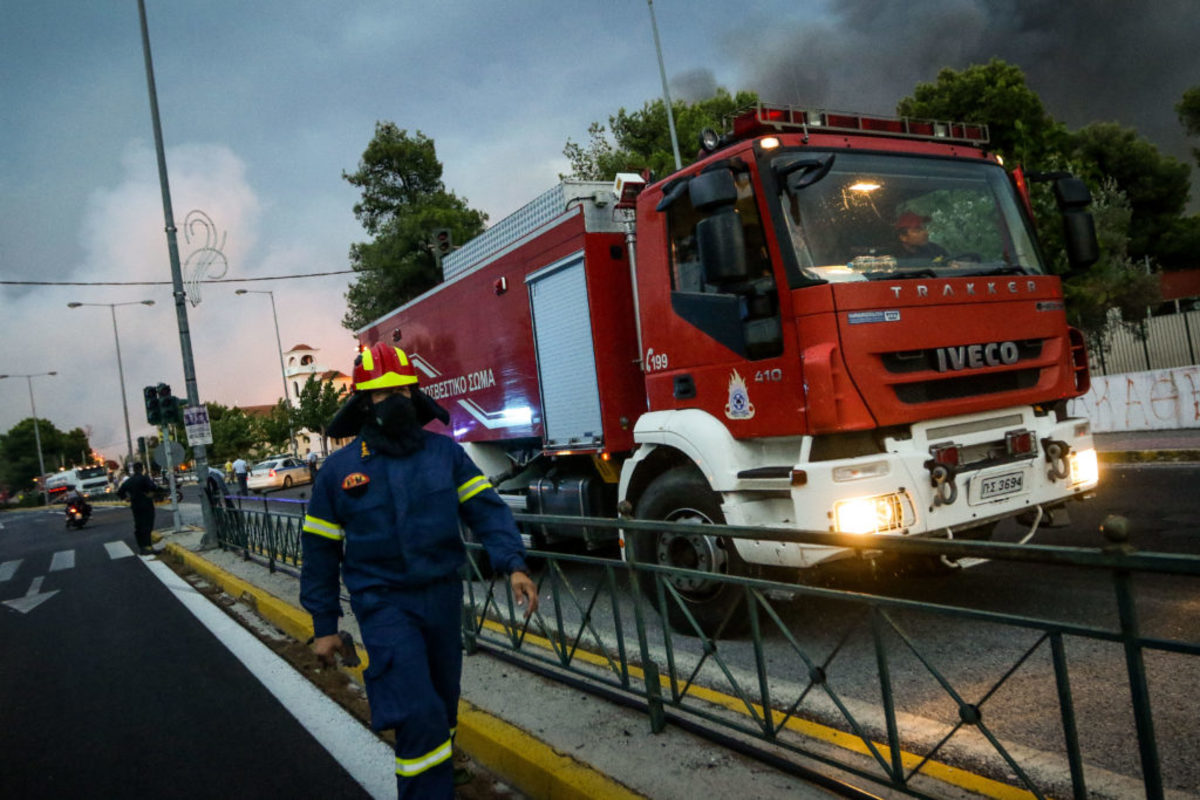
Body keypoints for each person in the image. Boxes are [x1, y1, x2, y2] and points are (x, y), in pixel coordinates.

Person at [300, 342, 538, 800]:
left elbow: (485, 510)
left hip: (442, 597)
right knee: (416, 708)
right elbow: (320, 554)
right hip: (383, 602)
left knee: (443, 701)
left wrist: (513, 564)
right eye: (381, 394)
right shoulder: (339, 471)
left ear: (415, 394)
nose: (394, 402)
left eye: (403, 391)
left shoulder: (443, 454)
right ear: (363, 402)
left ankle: (443, 766)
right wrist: (324, 626)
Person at [117, 463, 159, 556]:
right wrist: (150, 493)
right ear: (141, 469)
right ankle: (148, 547)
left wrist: (126, 498)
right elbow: (154, 487)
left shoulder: (129, 481)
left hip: (135, 506)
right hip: (146, 505)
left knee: (139, 526)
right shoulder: (144, 478)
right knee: (147, 526)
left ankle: (142, 548)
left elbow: (120, 492)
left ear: (134, 470)